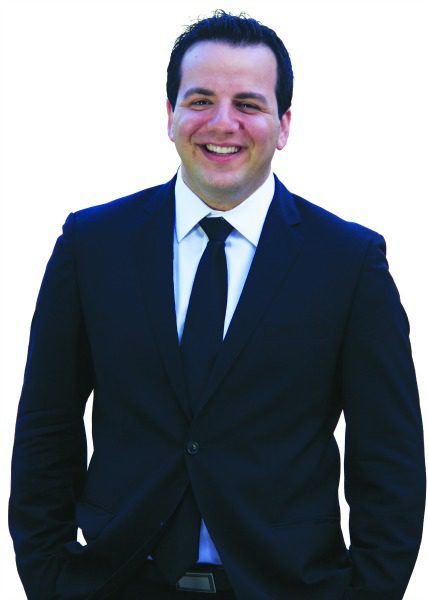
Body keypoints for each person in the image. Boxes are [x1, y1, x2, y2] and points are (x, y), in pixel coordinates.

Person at [9, 10, 425, 600]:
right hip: (116, 582)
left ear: (283, 125)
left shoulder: (349, 263)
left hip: (288, 588)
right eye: (200, 100)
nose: (222, 123)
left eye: (248, 104)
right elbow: (46, 427)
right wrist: (50, 578)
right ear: (170, 115)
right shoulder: (92, 245)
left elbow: (389, 458)